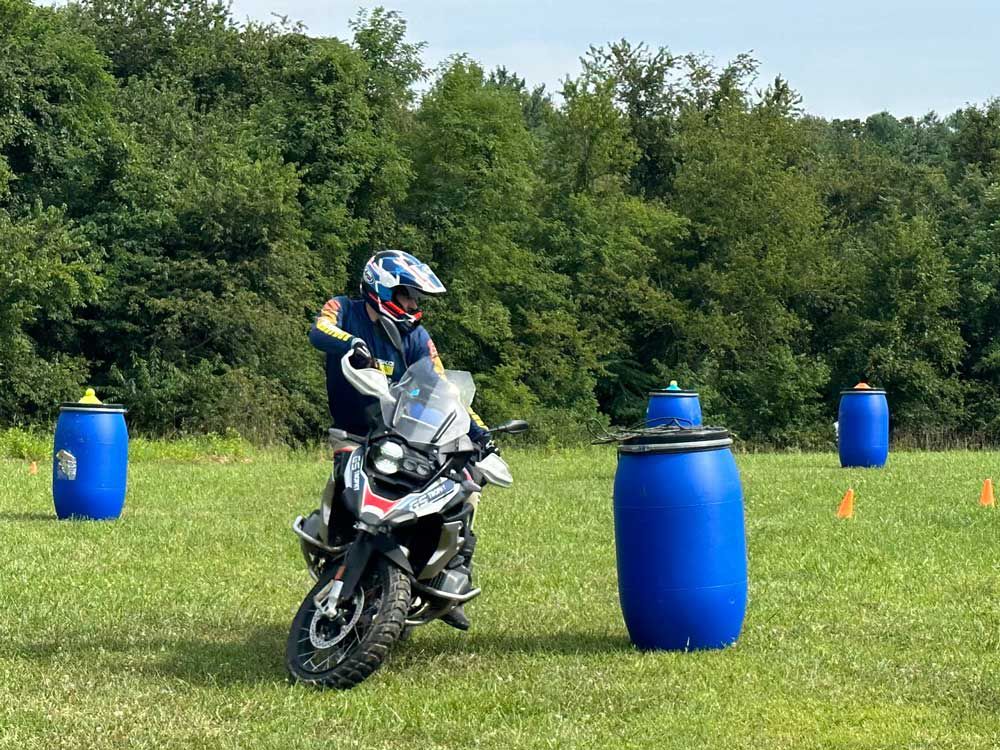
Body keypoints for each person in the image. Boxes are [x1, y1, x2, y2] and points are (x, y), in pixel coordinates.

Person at [307, 249, 494, 630]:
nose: (411, 303)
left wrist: (479, 432)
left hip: (404, 436)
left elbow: (441, 384)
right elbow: (319, 330)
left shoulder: (416, 336)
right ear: (381, 286)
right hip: (354, 431)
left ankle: (451, 575)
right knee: (348, 484)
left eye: (414, 297)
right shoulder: (344, 309)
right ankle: (332, 544)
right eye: (406, 294)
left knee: (464, 491)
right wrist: (351, 345)